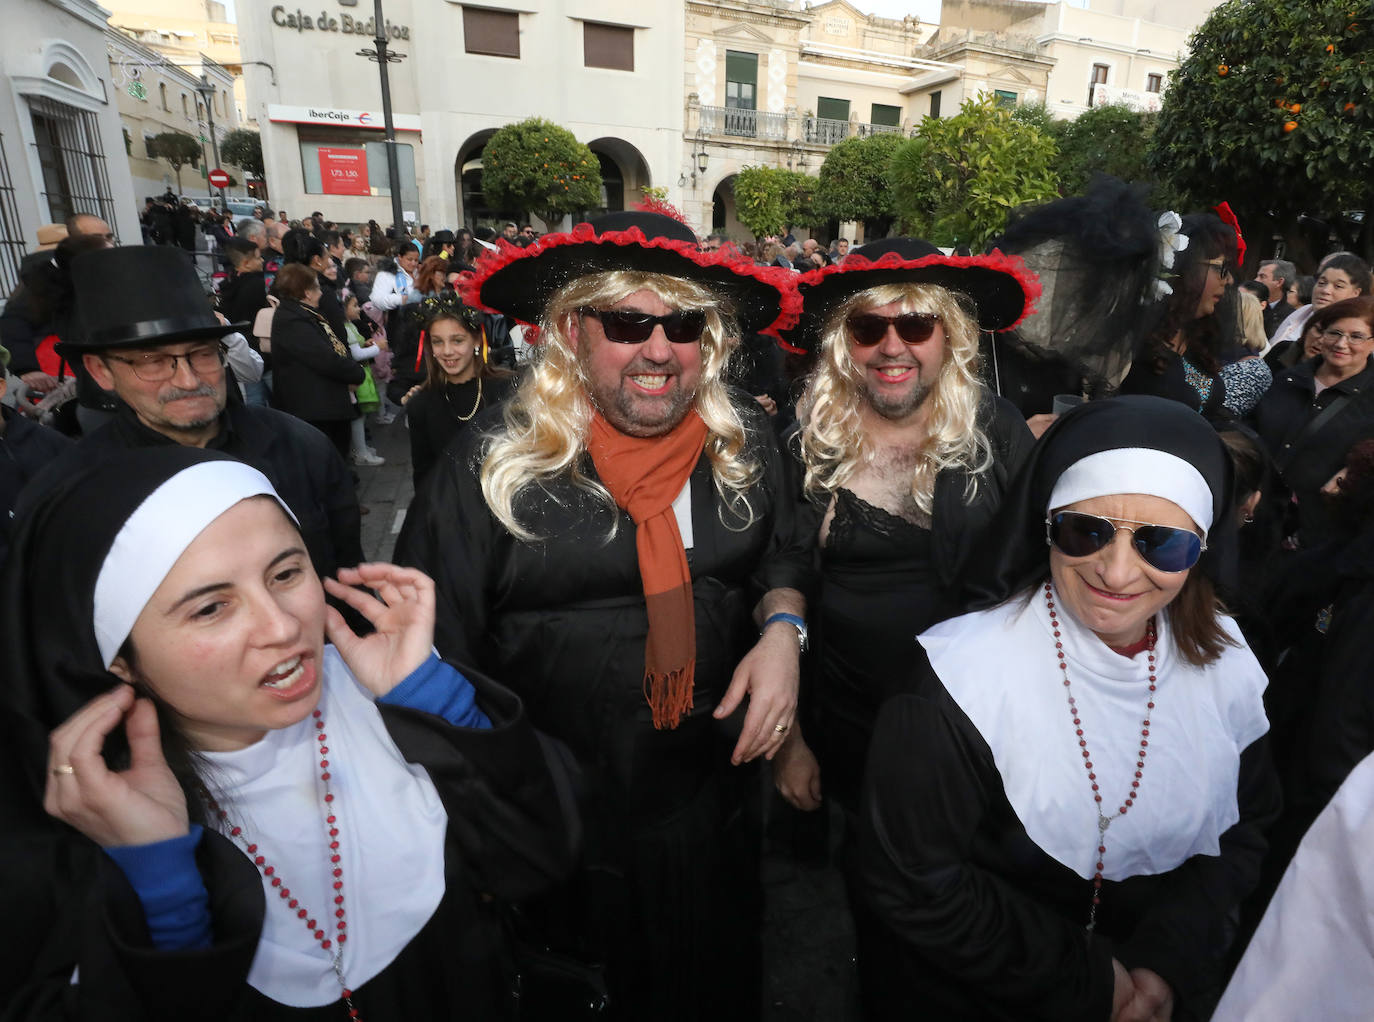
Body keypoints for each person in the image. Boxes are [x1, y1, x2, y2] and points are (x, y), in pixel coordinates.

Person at [397, 209, 808, 1021]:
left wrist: (783, 630)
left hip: (711, 811)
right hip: (563, 828)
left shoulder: (745, 440)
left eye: (683, 324)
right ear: (570, 332)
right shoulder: (490, 469)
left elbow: (786, 555)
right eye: (627, 323)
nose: (659, 350)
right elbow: (428, 656)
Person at [0, 446, 574, 1019]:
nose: (282, 625)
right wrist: (162, 884)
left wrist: (435, 702)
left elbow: (541, 857)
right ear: (118, 659)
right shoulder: (93, 827)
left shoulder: (394, 698)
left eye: (286, 573)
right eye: (210, 609)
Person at [854, 395, 1279, 1021]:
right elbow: (914, 882)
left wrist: (1166, 964)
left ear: (1203, 550)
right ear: (1045, 526)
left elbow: (1247, 826)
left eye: (1162, 545)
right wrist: (1094, 984)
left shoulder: (1229, 663)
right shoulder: (954, 685)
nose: (1116, 571)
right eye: (1086, 531)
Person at [774, 237, 1038, 816]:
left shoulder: (996, 433)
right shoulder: (811, 443)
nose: (892, 347)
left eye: (916, 326)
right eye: (868, 328)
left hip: (977, 728)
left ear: (949, 337)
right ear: (846, 343)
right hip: (845, 725)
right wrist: (790, 742)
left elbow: (1042, 569)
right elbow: (780, 567)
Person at [44, 245, 362, 590]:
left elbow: (346, 576)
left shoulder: (302, 447)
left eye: (203, 354)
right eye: (153, 361)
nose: (188, 380)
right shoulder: (74, 496)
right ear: (101, 371)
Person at [1252, 295, 1374, 547]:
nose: (1342, 343)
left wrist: (1356, 469)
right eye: (1334, 333)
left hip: (1313, 539)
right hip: (1253, 518)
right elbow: (1253, 430)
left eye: (1356, 336)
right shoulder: (1287, 378)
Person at [1119, 213, 1242, 420]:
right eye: (1221, 269)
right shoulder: (1133, 342)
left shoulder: (1198, 340)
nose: (1228, 281)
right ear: (1187, 270)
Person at [400, 302, 515, 490]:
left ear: (476, 340)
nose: (447, 351)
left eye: (457, 340)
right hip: (452, 512)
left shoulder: (506, 390)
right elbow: (424, 476)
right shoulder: (422, 404)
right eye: (438, 341)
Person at [268, 264, 366, 461]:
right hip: (315, 410)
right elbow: (325, 358)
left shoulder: (301, 314)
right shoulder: (292, 320)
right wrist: (356, 372)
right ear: (307, 293)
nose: (321, 293)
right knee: (326, 462)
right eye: (317, 288)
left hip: (321, 407)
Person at [1267, 251, 1372, 351]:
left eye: (1338, 286)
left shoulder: (1363, 328)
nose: (1325, 290)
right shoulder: (1302, 313)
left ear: (1356, 293)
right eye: (1322, 283)